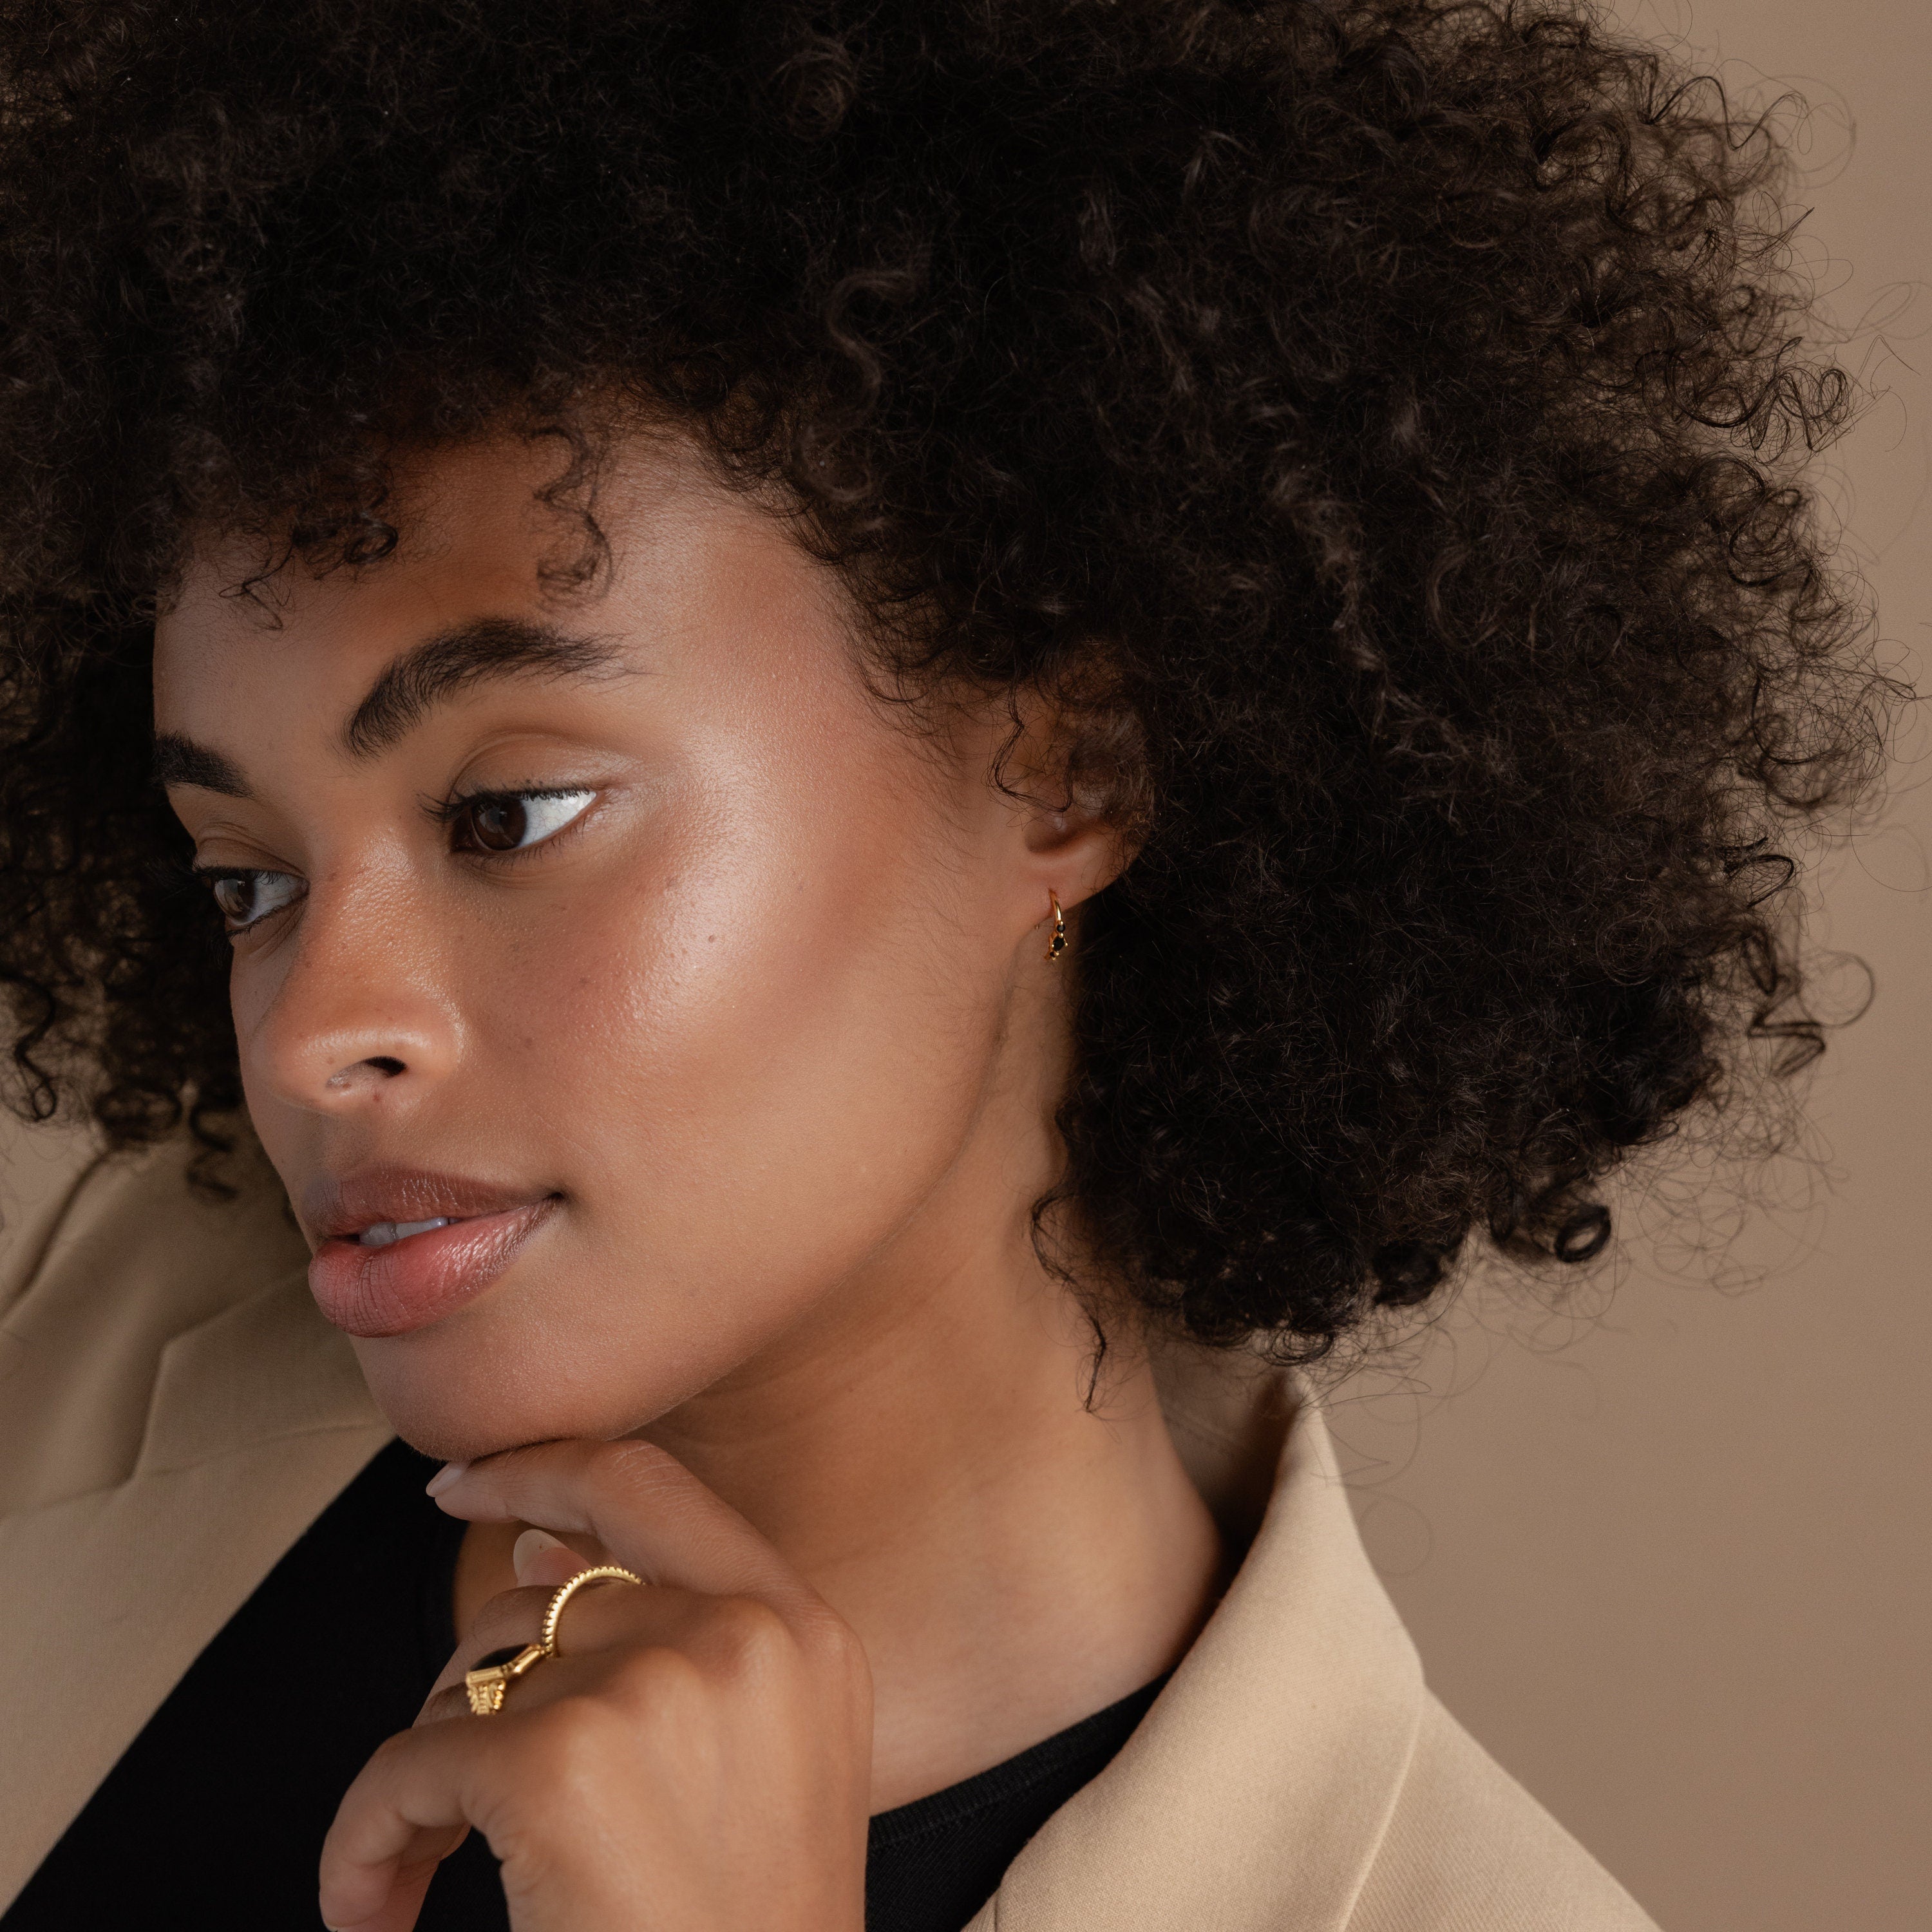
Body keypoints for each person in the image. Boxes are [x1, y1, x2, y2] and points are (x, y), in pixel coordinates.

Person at [0, 1, 1887, 1926]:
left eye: (506, 819)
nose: (316, 1038)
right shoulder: (95, 1345)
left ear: (1059, 768)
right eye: (244, 882)